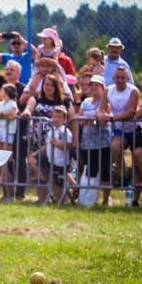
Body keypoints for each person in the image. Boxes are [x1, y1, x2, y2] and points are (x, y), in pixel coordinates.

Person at [99, 66, 139, 191]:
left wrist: (111, 119)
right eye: (117, 77)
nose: (120, 80)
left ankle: (134, 194)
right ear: (113, 78)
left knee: (137, 158)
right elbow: (101, 108)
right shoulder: (108, 90)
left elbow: (131, 112)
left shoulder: (133, 91)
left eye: (122, 78)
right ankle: (122, 175)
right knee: (115, 146)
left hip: (136, 128)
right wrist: (100, 115)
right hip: (120, 129)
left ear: (128, 79)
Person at [27, 105, 75, 204]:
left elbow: (70, 146)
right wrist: (35, 153)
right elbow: (46, 145)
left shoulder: (65, 131)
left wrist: (57, 144)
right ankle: (43, 178)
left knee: (59, 186)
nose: (56, 119)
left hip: (60, 162)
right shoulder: (50, 130)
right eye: (55, 116)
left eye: (59, 117)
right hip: (50, 159)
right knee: (32, 160)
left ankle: (68, 193)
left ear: (64, 119)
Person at [78, 74, 113, 206]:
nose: (93, 87)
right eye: (91, 85)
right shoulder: (85, 102)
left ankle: (105, 199)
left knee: (105, 172)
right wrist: (93, 118)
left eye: (96, 85)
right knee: (90, 172)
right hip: (87, 143)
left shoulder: (106, 103)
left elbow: (104, 120)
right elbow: (78, 119)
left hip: (104, 143)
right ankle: (90, 199)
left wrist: (89, 119)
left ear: (103, 88)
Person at [0, 83, 19, 201]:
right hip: (0, 132)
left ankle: (3, 178)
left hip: (8, 132)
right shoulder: (0, 104)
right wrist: (2, 114)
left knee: (6, 157)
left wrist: (1, 115)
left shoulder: (13, 104)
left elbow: (12, 116)